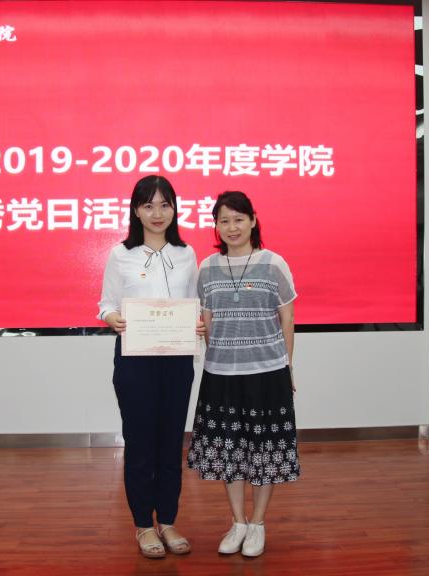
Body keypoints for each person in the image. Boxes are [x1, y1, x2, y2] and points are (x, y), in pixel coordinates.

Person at [187, 190, 299, 557]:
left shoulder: (274, 263)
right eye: (224, 220)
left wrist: (288, 366)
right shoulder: (206, 268)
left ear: (252, 221)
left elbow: (287, 319)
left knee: (265, 451)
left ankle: (258, 524)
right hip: (221, 374)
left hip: (267, 372)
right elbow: (206, 320)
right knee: (229, 450)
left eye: (238, 219)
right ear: (216, 226)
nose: (232, 227)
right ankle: (237, 522)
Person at [97, 175, 201, 559]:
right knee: (140, 444)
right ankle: (143, 524)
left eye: (165, 204)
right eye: (148, 205)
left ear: (174, 209)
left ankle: (168, 520)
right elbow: (106, 304)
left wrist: (199, 323)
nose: (157, 213)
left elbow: (195, 302)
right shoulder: (120, 254)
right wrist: (112, 318)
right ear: (136, 211)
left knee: (171, 443)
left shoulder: (187, 253)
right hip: (135, 361)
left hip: (177, 361)